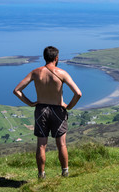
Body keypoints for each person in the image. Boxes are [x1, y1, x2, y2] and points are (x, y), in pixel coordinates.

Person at [13, 46, 82, 179]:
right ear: (56, 58)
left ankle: (41, 175)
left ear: (44, 57)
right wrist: (69, 107)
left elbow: (17, 90)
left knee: (41, 145)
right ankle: (65, 172)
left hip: (41, 110)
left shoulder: (35, 72)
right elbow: (78, 93)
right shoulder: (62, 73)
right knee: (61, 144)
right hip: (58, 110)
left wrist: (30, 103)